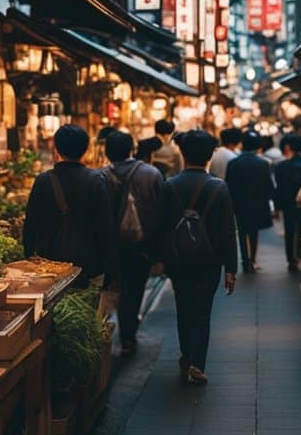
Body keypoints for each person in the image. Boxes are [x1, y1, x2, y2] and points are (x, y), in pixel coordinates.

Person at [158, 130, 237, 386]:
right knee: (202, 310)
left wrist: (161, 259)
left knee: (184, 307)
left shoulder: (170, 185)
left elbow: (162, 225)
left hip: (179, 259)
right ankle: (197, 363)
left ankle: (185, 354)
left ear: (183, 152)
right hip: (209, 259)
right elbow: (227, 230)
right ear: (210, 155)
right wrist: (231, 268)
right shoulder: (219, 187)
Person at [22, 124, 117, 288]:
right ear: (85, 149)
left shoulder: (44, 180)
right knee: (84, 310)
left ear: (56, 148)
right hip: (89, 264)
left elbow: (30, 224)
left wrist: (30, 257)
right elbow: (105, 226)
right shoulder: (96, 179)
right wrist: (110, 268)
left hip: (50, 266)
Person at [101, 131, 163, 356]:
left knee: (117, 287)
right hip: (142, 245)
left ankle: (120, 330)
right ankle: (128, 336)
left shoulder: (101, 176)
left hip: (111, 247)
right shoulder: (151, 174)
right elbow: (160, 213)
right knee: (135, 289)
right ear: (131, 149)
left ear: (107, 151)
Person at [225, 130, 274, 273]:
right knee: (254, 231)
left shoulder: (233, 163)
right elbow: (269, 186)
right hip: (257, 203)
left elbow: (228, 185)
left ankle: (245, 260)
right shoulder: (263, 164)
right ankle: (253, 259)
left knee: (241, 232)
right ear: (257, 146)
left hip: (239, 203)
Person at [272, 133, 301, 273]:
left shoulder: (280, 166)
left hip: (288, 204)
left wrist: (277, 207)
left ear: (289, 147)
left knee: (290, 230)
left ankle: (292, 260)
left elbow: (278, 189)